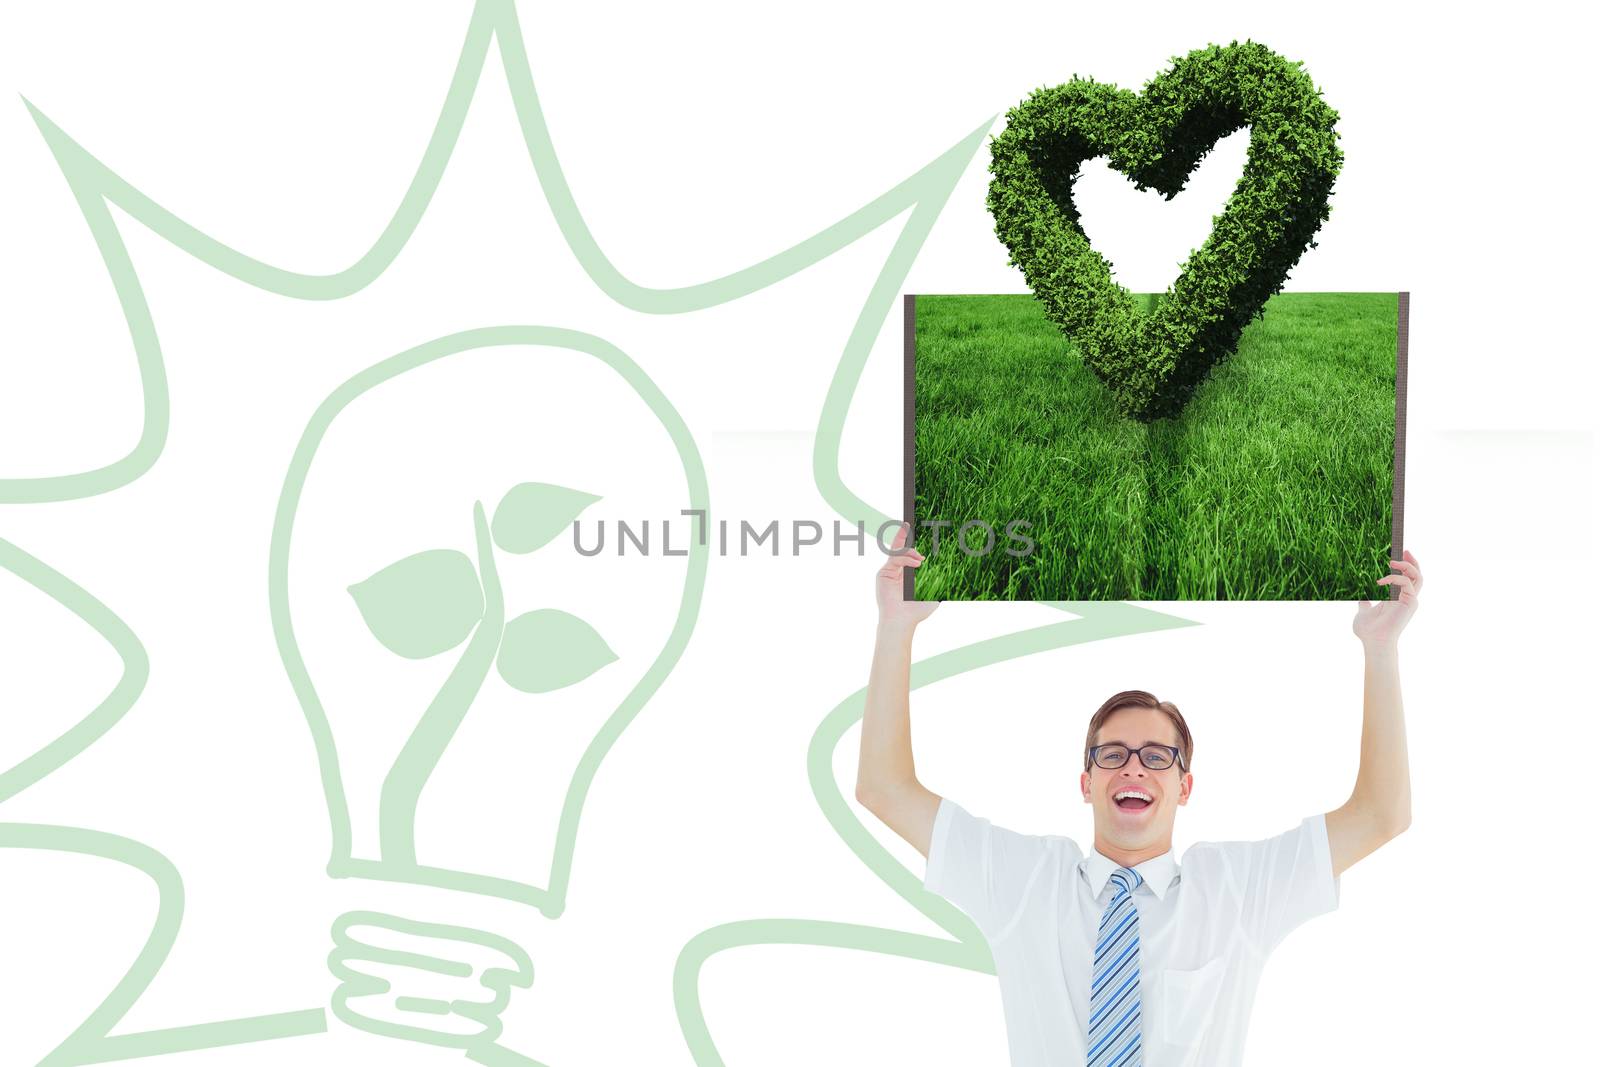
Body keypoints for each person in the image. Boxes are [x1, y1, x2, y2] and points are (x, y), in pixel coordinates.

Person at [855, 523, 1420, 1067]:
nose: (1134, 767)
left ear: (1184, 786)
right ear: (1086, 782)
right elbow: (883, 789)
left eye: (1157, 756)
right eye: (1113, 754)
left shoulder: (1237, 890)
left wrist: (1380, 648)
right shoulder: (1025, 882)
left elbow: (1380, 815)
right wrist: (895, 629)